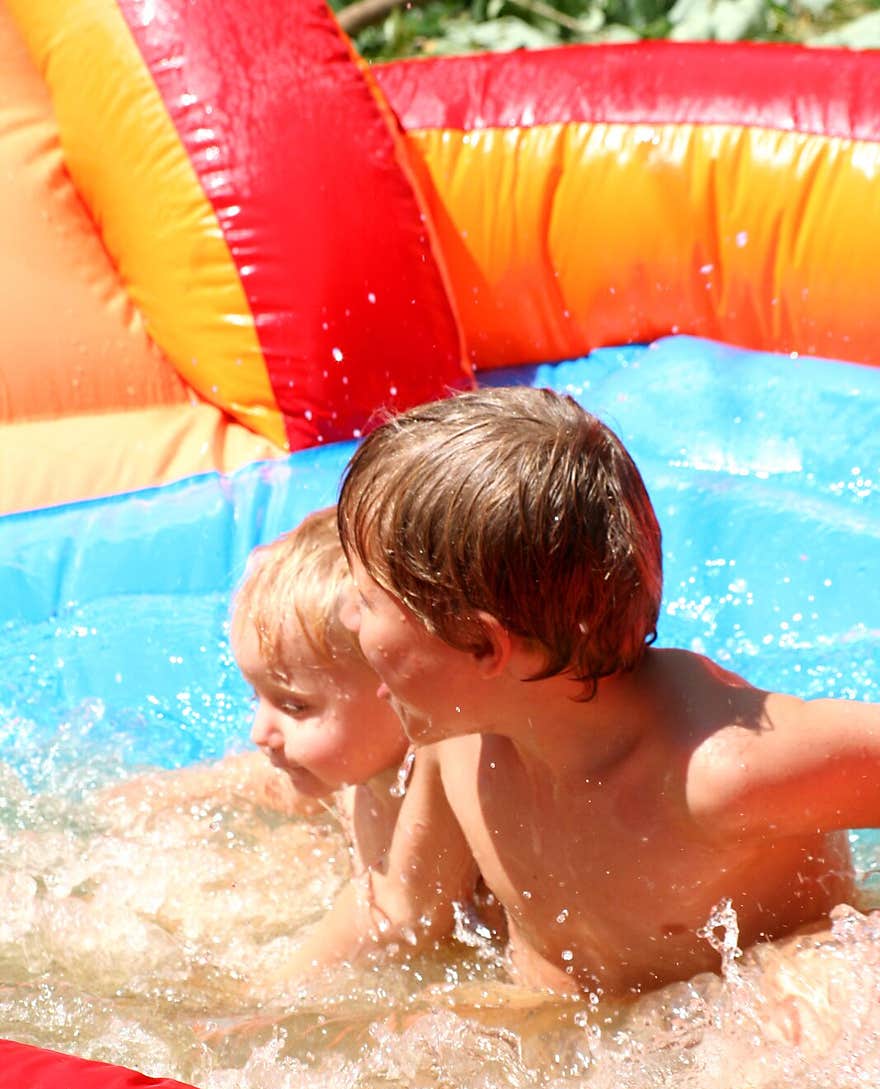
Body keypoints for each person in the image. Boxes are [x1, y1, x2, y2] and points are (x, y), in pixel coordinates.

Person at [336, 385, 880, 999]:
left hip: (749, 1030)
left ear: (485, 646)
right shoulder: (463, 737)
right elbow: (401, 907)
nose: (347, 619)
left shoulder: (712, 771)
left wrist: (841, 967)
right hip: (566, 1020)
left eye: (366, 600)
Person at [95, 508, 479, 982]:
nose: (260, 732)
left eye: (295, 707)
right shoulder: (358, 768)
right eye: (257, 697)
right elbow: (277, 787)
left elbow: (391, 915)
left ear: (399, 687)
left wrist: (270, 993)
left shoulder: (443, 780)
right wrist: (175, 791)